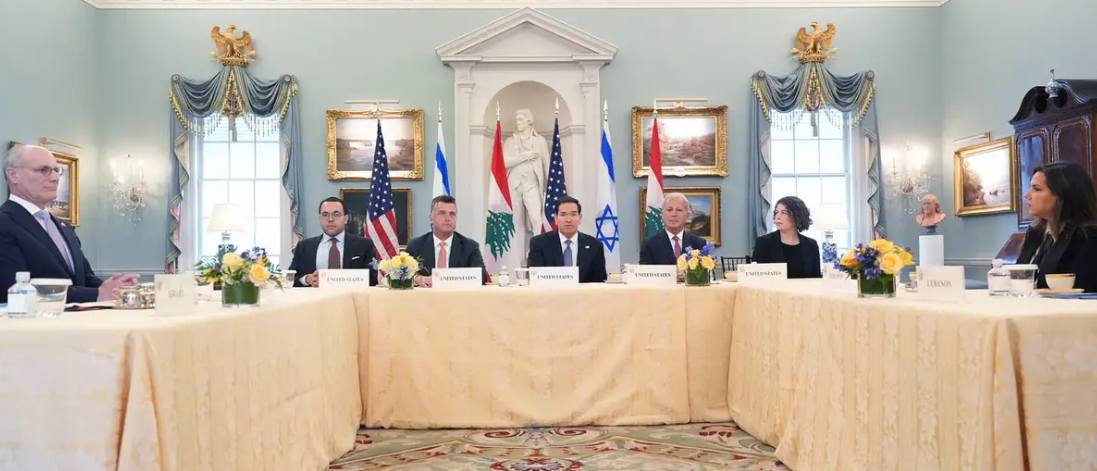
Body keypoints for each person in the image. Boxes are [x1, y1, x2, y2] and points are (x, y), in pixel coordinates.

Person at [0, 145, 139, 303]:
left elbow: (85, 278)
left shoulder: (63, 226)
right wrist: (96, 295)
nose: (55, 178)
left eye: (56, 170)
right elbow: (13, 288)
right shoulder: (4, 222)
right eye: (44, 170)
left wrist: (114, 289)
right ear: (13, 175)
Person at [1016, 161, 1097, 292]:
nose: (1027, 195)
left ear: (1063, 195)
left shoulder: (1087, 236)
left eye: (1037, 189)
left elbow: (1084, 289)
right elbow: (1020, 277)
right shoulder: (1036, 232)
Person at [287, 196, 377, 287]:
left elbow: (373, 279)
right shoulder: (304, 246)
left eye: (336, 214)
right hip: (315, 296)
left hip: (351, 295)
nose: (330, 219)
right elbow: (289, 278)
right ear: (319, 219)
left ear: (346, 219)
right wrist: (306, 279)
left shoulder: (364, 245)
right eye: (325, 215)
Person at [405, 195, 488, 287]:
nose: (448, 218)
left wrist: (447, 279)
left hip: (457, 295)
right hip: (426, 295)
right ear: (431, 218)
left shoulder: (470, 247)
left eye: (452, 214)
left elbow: (482, 277)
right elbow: (402, 274)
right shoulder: (416, 245)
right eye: (442, 213)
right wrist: (417, 279)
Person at [527, 196, 607, 283]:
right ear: (556, 219)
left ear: (580, 218)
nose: (568, 220)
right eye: (563, 215)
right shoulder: (539, 243)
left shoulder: (595, 245)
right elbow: (535, 278)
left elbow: (599, 282)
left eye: (573, 214)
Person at [639, 192, 707, 281]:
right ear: (662, 215)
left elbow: (705, 275)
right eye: (669, 209)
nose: (674, 214)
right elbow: (644, 276)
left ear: (687, 216)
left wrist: (689, 275)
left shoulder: (699, 243)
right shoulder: (649, 244)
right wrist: (670, 275)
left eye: (679, 210)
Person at [751, 195, 822, 278]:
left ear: (797, 216)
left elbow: (816, 278)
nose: (778, 217)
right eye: (776, 212)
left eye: (784, 213)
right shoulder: (764, 243)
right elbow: (756, 278)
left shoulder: (811, 245)